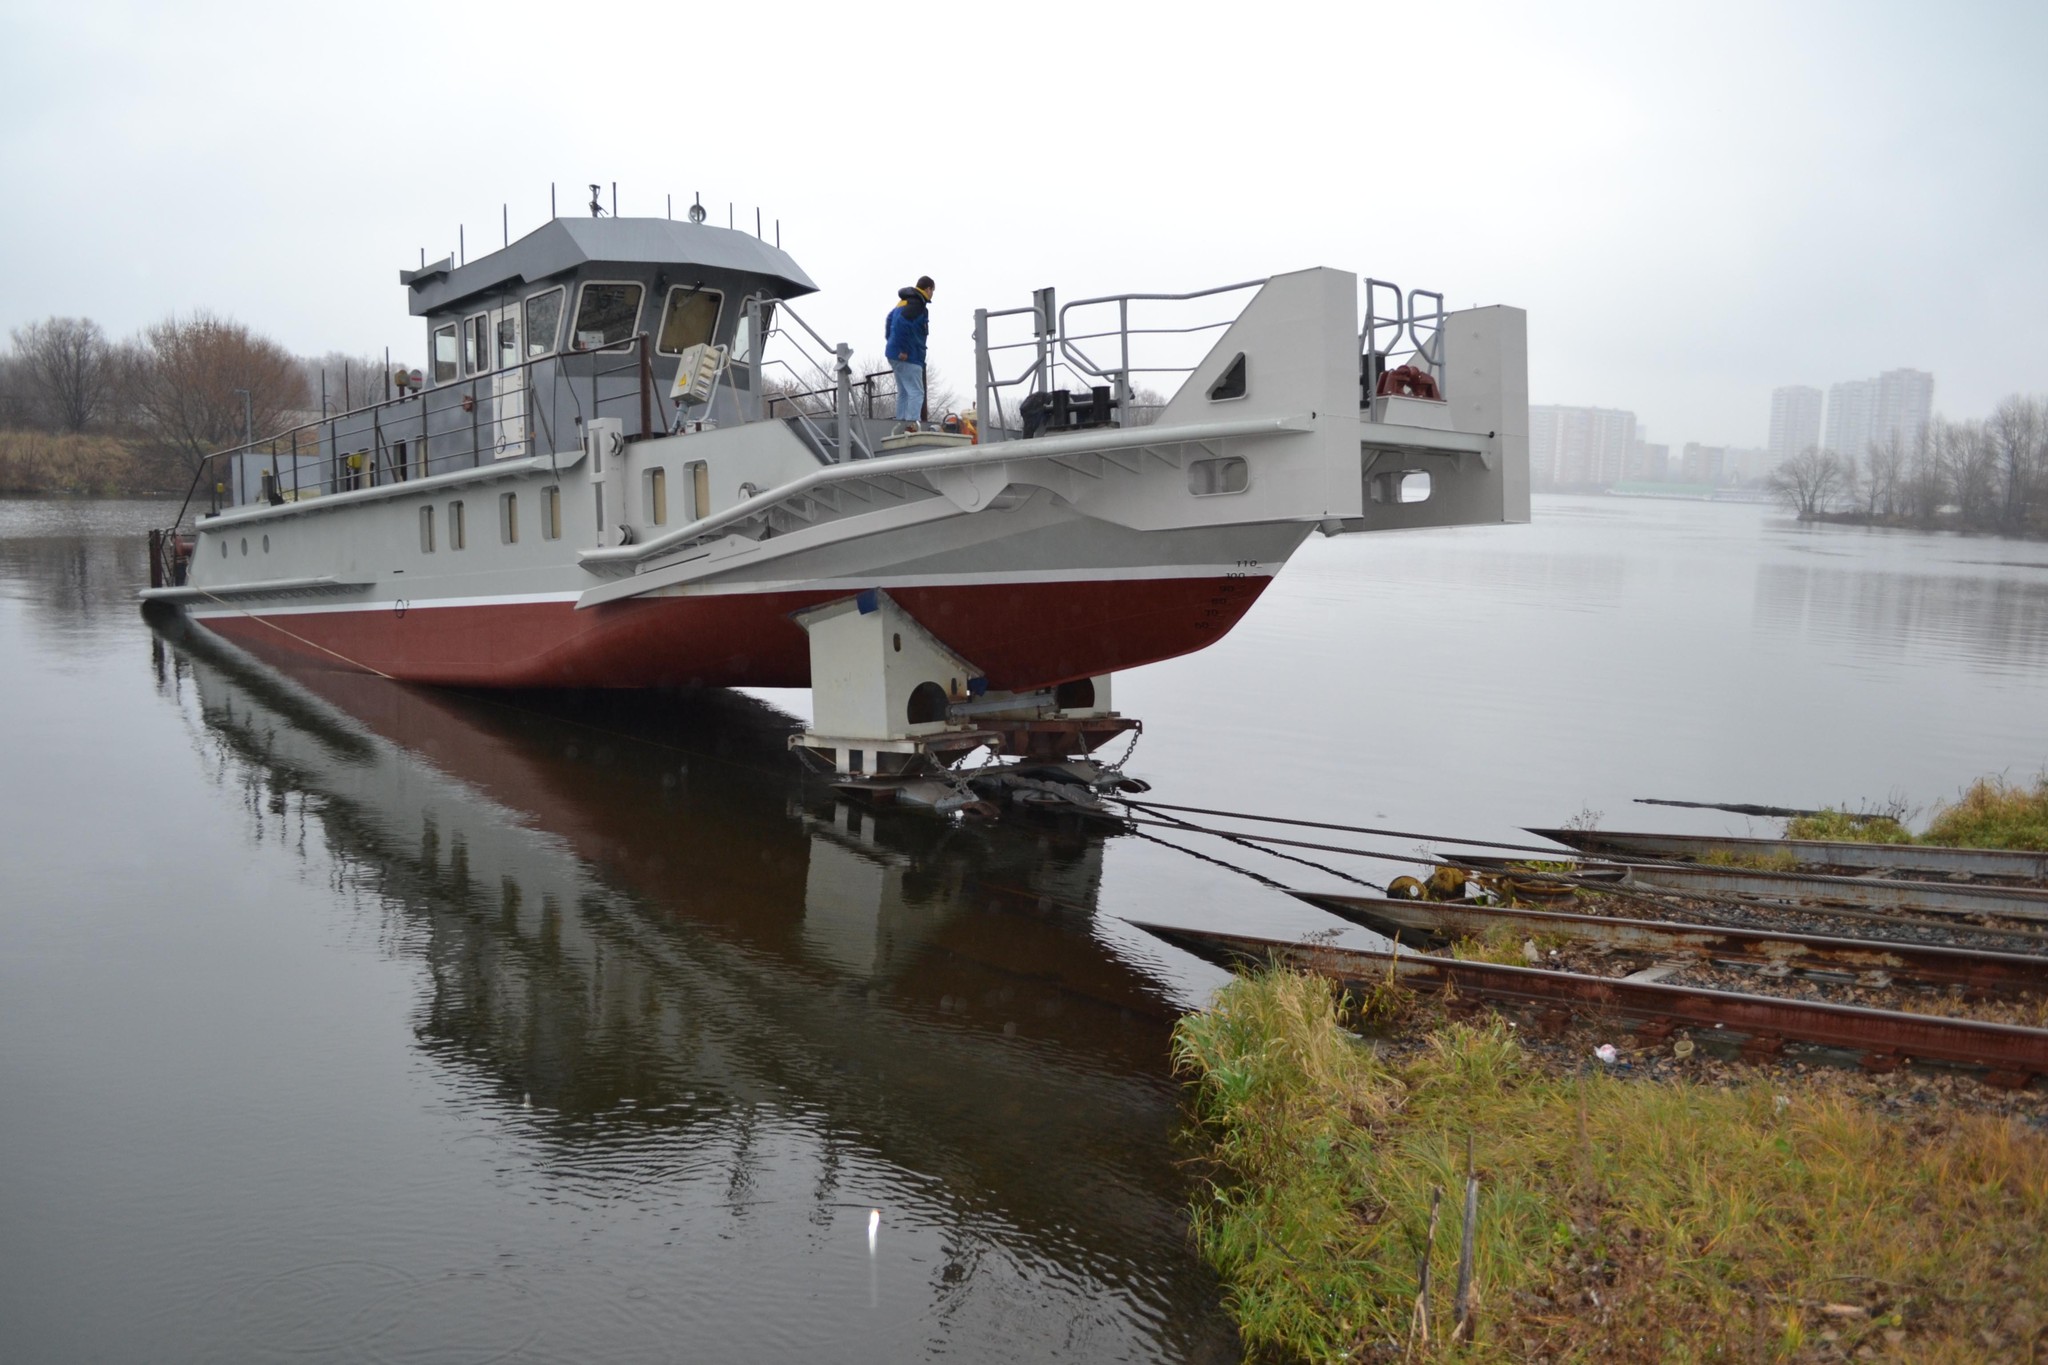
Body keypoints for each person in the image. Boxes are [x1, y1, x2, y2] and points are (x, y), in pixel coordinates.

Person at [884, 276, 934, 434]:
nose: (932, 294)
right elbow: (902, 323)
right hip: (909, 356)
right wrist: (904, 349)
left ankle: (900, 424)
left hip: (894, 354)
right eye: (932, 290)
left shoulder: (904, 301)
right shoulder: (917, 304)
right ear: (928, 289)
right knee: (917, 392)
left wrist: (891, 341)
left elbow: (889, 320)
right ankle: (911, 426)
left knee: (904, 392)